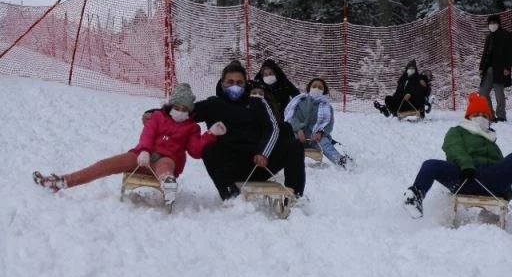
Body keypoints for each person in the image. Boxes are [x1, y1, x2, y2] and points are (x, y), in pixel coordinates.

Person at [33, 83, 225, 203]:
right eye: (177, 107)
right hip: (142, 157)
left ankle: (169, 185)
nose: (180, 111)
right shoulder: (157, 117)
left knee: (166, 166)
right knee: (105, 165)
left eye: (185, 109)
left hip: (166, 162)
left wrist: (210, 134)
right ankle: (63, 181)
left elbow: (195, 151)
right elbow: (147, 135)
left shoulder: (191, 128)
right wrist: (144, 150)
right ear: (170, 105)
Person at [402, 92, 512, 221]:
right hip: (463, 177)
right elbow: (453, 147)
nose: (481, 118)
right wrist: (466, 165)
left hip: (492, 180)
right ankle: (414, 197)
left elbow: (500, 165)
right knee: (430, 164)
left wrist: (505, 192)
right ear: (468, 117)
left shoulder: (491, 140)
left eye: (485, 115)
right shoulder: (457, 131)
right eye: (477, 114)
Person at [193, 60, 305, 201]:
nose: (235, 86)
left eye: (239, 83)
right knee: (209, 149)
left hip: (260, 164)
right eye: (230, 82)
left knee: (294, 145)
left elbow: (272, 128)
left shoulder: (257, 103)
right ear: (222, 83)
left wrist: (263, 153)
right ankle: (230, 196)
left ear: (245, 84)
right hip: (230, 167)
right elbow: (183, 113)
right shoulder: (212, 104)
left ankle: (294, 196)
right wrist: (160, 113)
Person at [284, 78, 351, 168]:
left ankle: (340, 160)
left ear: (324, 91)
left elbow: (329, 124)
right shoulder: (300, 102)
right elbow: (293, 118)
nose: (317, 89)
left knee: (325, 143)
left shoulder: (327, 107)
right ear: (309, 88)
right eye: (314, 86)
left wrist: (320, 133)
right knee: (288, 141)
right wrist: (298, 130)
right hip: (299, 134)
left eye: (320, 87)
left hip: (316, 137)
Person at [478, 14, 512, 122]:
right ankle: (490, 114)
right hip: (488, 70)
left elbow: (510, 53)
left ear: (499, 24)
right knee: (482, 92)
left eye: (494, 23)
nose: (492, 25)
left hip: (500, 69)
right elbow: (484, 54)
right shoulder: (489, 37)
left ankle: (501, 115)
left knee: (499, 93)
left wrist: (507, 67)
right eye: (490, 23)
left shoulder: (507, 35)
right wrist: (481, 68)